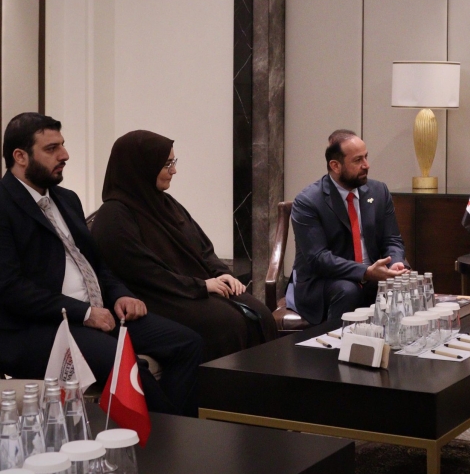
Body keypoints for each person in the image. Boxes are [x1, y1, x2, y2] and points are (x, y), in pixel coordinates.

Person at [0, 113, 202, 416]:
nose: (65, 155)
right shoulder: (4, 205)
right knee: (126, 363)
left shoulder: (66, 199)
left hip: (96, 313)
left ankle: (177, 431)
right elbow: (11, 290)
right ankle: (167, 438)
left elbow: (96, 264)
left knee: (187, 343)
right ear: (20, 156)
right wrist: (84, 313)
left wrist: (120, 294)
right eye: (52, 148)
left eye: (62, 145)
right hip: (40, 329)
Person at [90, 130, 277, 362]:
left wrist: (222, 274)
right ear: (141, 167)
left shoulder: (166, 203)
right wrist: (200, 286)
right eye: (167, 164)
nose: (174, 171)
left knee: (261, 313)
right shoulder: (114, 215)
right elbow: (143, 271)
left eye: (173, 162)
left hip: (190, 289)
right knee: (226, 323)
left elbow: (203, 248)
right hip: (156, 296)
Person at [291, 129, 408, 324]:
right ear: (335, 166)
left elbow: (392, 239)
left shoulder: (379, 191)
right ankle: (335, 341)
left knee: (401, 283)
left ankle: (395, 341)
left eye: (366, 157)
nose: (366, 165)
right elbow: (318, 258)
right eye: (358, 160)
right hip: (325, 281)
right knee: (348, 290)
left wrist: (395, 263)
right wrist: (365, 272)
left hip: (372, 276)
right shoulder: (308, 201)